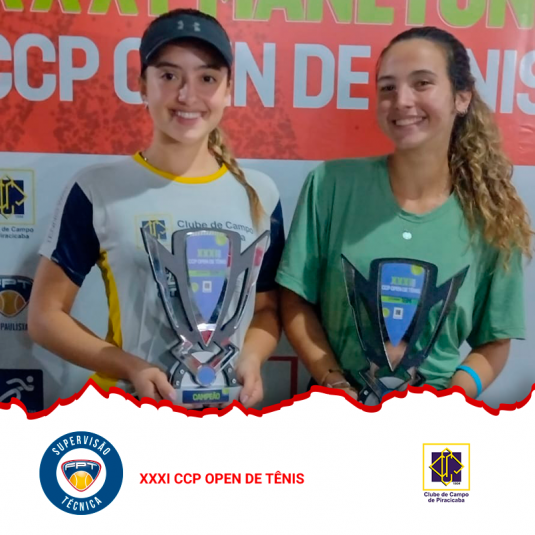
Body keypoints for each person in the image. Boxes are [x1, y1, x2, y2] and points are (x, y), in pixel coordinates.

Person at [28, 8, 284, 408]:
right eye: (169, 76)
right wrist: (131, 366)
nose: (187, 96)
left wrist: (250, 359)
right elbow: (45, 317)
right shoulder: (97, 189)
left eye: (207, 78)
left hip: (226, 414)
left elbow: (266, 309)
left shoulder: (260, 192)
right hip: (130, 412)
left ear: (228, 90)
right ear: (142, 86)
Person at [276, 26, 532, 401]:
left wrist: (448, 404)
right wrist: (336, 385)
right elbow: (295, 301)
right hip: (336, 415)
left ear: (462, 96)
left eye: (422, 83)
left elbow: (495, 341)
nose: (402, 100)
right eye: (388, 87)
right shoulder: (331, 184)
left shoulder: (492, 211)